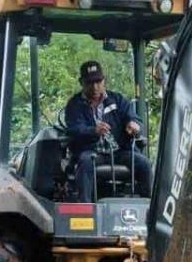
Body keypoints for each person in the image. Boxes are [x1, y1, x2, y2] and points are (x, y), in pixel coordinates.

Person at [64, 60, 153, 202]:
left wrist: (134, 124)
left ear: (104, 80)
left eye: (98, 82)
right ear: (81, 82)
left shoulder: (117, 99)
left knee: (144, 164)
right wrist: (93, 131)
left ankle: (148, 208)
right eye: (89, 83)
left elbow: (133, 118)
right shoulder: (74, 105)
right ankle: (85, 210)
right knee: (85, 163)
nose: (95, 87)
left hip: (119, 151)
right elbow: (74, 130)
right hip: (92, 152)